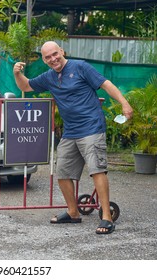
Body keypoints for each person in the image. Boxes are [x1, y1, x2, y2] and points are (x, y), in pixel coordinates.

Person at [13, 41, 133, 234]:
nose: (53, 59)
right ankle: (73, 212)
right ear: (44, 60)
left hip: (92, 127)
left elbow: (106, 84)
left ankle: (107, 218)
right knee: (63, 172)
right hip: (70, 132)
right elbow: (26, 86)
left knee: (97, 170)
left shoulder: (81, 67)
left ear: (61, 51)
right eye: (48, 57)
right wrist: (17, 73)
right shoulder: (49, 77)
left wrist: (124, 104)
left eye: (55, 54)